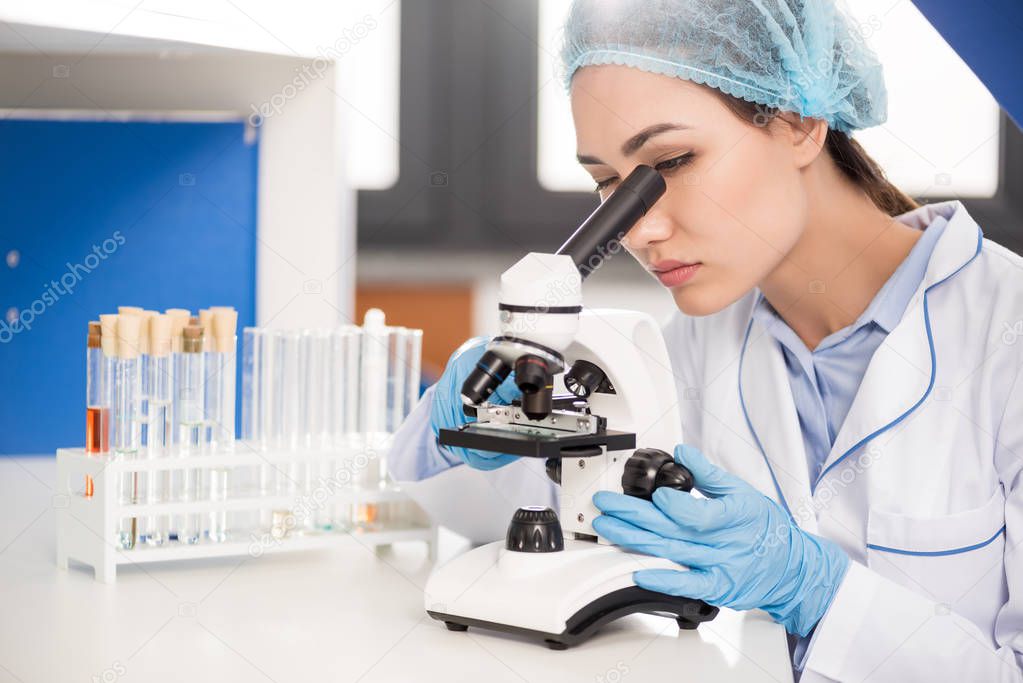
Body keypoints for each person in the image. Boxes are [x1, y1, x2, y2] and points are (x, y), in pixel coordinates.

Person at [388, 0, 1023, 679]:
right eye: (606, 183)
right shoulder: (689, 350)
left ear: (799, 121)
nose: (638, 230)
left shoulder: (1004, 336)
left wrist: (818, 592)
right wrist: (450, 423)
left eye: (673, 159)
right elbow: (520, 520)